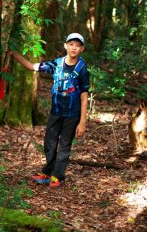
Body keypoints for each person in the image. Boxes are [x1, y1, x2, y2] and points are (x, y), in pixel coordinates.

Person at [8, 33, 90, 188]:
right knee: (49, 143)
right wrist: (14, 54)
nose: (74, 48)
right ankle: (48, 171)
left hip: (72, 114)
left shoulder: (82, 69)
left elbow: (84, 96)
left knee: (65, 145)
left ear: (82, 49)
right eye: (71, 44)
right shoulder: (56, 64)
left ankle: (57, 176)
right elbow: (32, 67)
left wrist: (83, 121)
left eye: (78, 45)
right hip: (56, 112)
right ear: (65, 45)